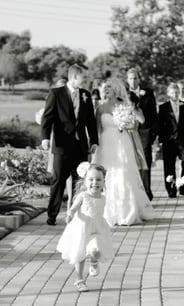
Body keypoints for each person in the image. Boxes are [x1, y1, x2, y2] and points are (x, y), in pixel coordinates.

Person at [41, 64, 99, 226]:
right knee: (58, 180)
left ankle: (75, 214)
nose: (85, 80)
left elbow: (90, 121)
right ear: (74, 77)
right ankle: (52, 215)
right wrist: (45, 138)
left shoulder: (85, 95)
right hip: (61, 145)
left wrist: (94, 140)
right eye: (83, 77)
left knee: (79, 181)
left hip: (80, 146)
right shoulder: (56, 93)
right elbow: (47, 118)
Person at [93, 77, 155, 226]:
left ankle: (126, 212)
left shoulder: (125, 105)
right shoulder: (100, 108)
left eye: (109, 88)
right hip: (106, 143)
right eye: (105, 88)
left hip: (122, 142)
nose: (106, 90)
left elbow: (137, 122)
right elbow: (97, 129)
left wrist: (125, 122)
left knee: (123, 174)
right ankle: (107, 212)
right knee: (107, 173)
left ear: (115, 89)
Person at [57, 162, 114, 292]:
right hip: (82, 228)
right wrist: (69, 215)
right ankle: (80, 279)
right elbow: (73, 208)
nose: (95, 182)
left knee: (95, 250)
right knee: (80, 254)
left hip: (97, 228)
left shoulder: (103, 197)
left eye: (99, 179)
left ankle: (94, 261)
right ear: (85, 181)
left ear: (104, 181)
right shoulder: (83, 196)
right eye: (91, 179)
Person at [158, 82, 184, 198]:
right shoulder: (163, 107)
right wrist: (161, 140)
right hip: (169, 142)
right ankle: (171, 189)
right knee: (169, 166)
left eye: (177, 92)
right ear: (168, 94)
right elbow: (160, 125)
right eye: (173, 92)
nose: (175, 94)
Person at [127, 68, 158, 201]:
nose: (133, 81)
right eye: (130, 78)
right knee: (131, 163)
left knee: (145, 163)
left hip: (145, 133)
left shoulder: (148, 92)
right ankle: (134, 193)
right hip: (128, 133)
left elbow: (153, 115)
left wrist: (153, 134)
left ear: (139, 79)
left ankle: (146, 193)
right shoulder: (122, 93)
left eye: (135, 78)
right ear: (127, 80)